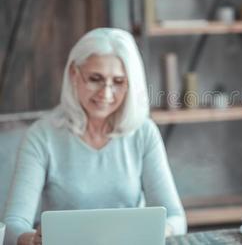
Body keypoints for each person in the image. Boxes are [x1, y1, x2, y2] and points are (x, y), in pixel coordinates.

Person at [3, 28, 187, 245]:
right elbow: (13, 223)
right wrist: (32, 239)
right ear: (74, 74)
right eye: (95, 78)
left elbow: (176, 217)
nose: (106, 94)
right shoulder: (41, 136)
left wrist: (160, 230)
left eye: (118, 82)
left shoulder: (144, 133)